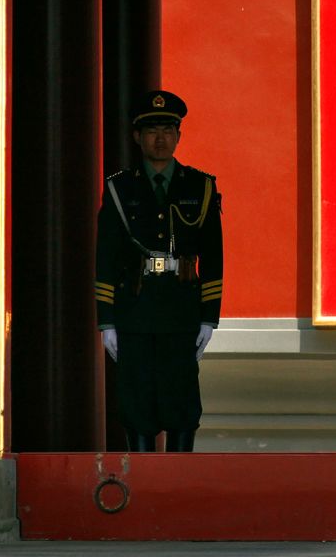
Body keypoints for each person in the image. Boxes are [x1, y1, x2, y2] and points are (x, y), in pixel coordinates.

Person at [94, 90, 223, 452]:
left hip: (181, 308)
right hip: (134, 308)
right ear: (137, 137)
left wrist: (208, 318)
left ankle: (178, 479)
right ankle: (144, 481)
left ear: (179, 135)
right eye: (152, 130)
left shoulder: (200, 187)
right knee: (136, 402)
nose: (161, 138)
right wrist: (107, 321)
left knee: (181, 399)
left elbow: (213, 256)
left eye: (168, 129)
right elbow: (105, 256)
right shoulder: (120, 188)